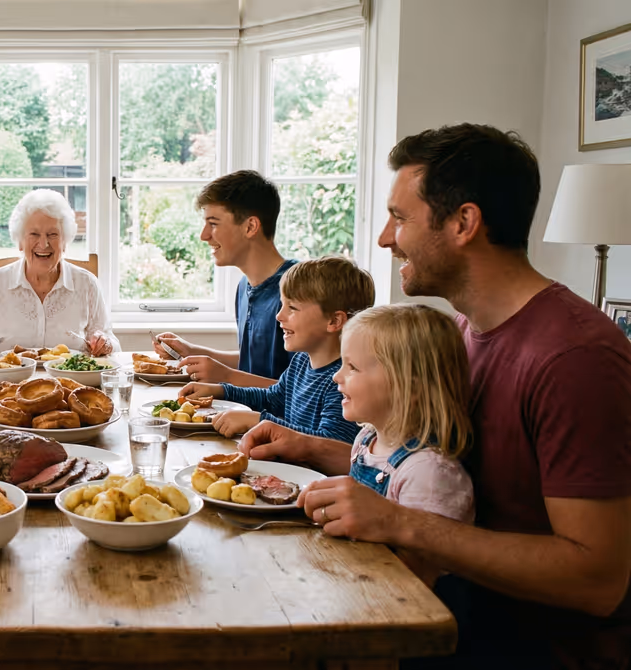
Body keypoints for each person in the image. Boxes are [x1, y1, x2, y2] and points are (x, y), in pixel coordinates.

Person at [238, 124, 631, 668]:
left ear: (464, 223)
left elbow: (598, 579)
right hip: (423, 602)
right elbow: (422, 462)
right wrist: (304, 446)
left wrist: (399, 522)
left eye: (399, 218)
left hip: (513, 644)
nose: (383, 238)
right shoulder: (461, 333)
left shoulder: (575, 357)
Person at [334, 303, 474, 586]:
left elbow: (419, 576)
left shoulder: (428, 472)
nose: (337, 376)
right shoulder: (366, 440)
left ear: (410, 389)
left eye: (352, 367)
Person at [178, 256, 372, 443]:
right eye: (282, 305)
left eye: (292, 308)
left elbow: (327, 444)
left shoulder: (343, 381)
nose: (279, 316)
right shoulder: (301, 361)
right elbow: (271, 399)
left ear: (334, 321)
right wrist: (221, 390)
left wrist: (258, 422)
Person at [154, 171, 296, 386]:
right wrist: (192, 351)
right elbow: (255, 364)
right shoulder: (244, 286)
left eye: (213, 223)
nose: (204, 235)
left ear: (250, 227)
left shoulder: (299, 290)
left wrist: (227, 377)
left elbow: (303, 391)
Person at [0, 189, 118, 355]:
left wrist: (105, 344)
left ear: (65, 242)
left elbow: (112, 343)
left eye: (52, 234)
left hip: (71, 380)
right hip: (8, 380)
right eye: (34, 234)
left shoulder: (87, 283)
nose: (44, 243)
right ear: (20, 241)